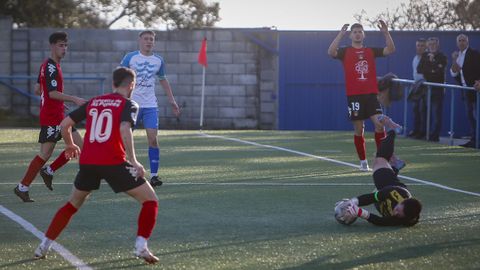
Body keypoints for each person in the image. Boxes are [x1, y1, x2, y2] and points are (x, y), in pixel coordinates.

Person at [34, 67, 160, 264]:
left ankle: (44, 245)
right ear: (132, 85)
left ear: (113, 84)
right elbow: (125, 128)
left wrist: (69, 144)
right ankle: (141, 246)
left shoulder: (94, 101)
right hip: (114, 162)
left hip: (88, 162)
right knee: (150, 200)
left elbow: (64, 124)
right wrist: (134, 161)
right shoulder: (129, 104)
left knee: (71, 205)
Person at [14, 32, 86, 202]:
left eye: (66, 45)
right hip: (51, 116)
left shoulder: (47, 65)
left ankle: (49, 171)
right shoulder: (51, 67)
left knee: (79, 145)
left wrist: (59, 102)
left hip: (58, 113)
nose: (64, 49)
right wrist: (73, 98)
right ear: (52, 46)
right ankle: (23, 186)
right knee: (45, 153)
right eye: (61, 45)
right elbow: (51, 92)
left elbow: (38, 90)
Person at [328, 21, 396, 171]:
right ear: (351, 35)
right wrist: (340, 34)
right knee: (359, 130)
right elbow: (331, 52)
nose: (357, 34)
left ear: (364, 35)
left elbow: (390, 49)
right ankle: (363, 161)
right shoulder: (345, 51)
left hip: (371, 95)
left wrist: (386, 33)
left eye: (360, 31)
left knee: (379, 125)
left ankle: (381, 159)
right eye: (355, 32)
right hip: (354, 96)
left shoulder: (370, 50)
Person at [120, 30, 180, 187]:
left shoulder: (158, 61)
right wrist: (118, 99)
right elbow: (119, 76)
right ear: (140, 40)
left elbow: (163, 80)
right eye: (146, 39)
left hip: (150, 106)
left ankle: (154, 176)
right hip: (131, 105)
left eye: (151, 39)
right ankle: (120, 172)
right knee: (123, 139)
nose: (149, 41)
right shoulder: (130, 57)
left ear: (154, 42)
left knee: (153, 140)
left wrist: (172, 100)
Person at [344, 116, 422, 226]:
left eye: (399, 214)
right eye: (398, 209)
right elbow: (372, 197)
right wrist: (353, 202)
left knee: (379, 163)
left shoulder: (407, 219)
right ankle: (392, 131)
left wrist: (360, 212)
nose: (395, 212)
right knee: (379, 160)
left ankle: (395, 166)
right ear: (402, 202)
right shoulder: (395, 194)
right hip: (390, 185)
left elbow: (382, 222)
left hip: (383, 202)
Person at [450, 34, 480, 148]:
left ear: (467, 42)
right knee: (470, 115)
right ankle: (474, 139)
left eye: (464, 40)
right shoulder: (458, 56)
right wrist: (454, 59)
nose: (462, 42)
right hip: (465, 90)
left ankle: (477, 140)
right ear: (457, 43)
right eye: (460, 41)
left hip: (475, 89)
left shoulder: (474, 53)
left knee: (476, 115)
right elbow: (453, 72)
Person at [417, 37, 447, 142]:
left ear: (437, 45)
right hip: (426, 89)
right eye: (430, 44)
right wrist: (432, 69)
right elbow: (419, 69)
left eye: (434, 44)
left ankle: (434, 136)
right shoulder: (424, 55)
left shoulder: (442, 56)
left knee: (436, 113)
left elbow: (439, 72)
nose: (432, 46)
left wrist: (432, 61)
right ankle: (425, 133)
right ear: (428, 46)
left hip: (437, 89)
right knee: (423, 111)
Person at [408, 38, 427, 139]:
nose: (420, 48)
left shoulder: (428, 57)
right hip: (416, 86)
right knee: (415, 109)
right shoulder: (415, 58)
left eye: (422, 45)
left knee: (423, 110)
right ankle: (416, 130)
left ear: (425, 47)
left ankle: (423, 132)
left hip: (425, 87)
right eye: (418, 45)